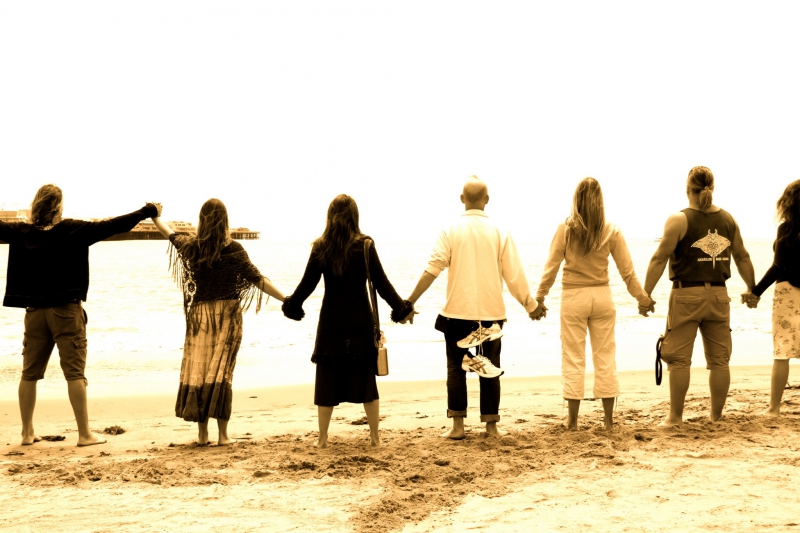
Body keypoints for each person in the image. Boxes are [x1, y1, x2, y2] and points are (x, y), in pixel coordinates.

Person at [0, 184, 160, 446]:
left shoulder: (20, 232)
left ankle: (27, 433)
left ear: (36, 204)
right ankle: (84, 435)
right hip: (65, 311)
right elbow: (113, 225)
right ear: (59, 206)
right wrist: (147, 211)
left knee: (29, 374)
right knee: (74, 374)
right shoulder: (73, 229)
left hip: (34, 313)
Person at [404, 176, 539, 439]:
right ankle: (491, 426)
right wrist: (530, 305)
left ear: (462, 199)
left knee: (456, 369)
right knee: (490, 367)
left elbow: (433, 269)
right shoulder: (500, 231)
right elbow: (514, 275)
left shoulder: (450, 230)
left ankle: (457, 427)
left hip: (457, 314)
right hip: (492, 315)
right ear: (486, 200)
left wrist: (409, 303)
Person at [281, 194, 413, 448]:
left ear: (330, 217)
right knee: (366, 380)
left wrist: (292, 305)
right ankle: (375, 437)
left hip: (331, 322)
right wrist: (401, 308)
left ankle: (322, 439)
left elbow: (307, 285)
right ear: (355, 216)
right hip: (359, 321)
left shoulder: (321, 247)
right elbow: (382, 284)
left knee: (327, 379)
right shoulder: (365, 245)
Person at [152, 199, 286, 446]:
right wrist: (286, 299)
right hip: (227, 316)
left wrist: (154, 215)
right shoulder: (234, 250)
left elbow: (168, 233)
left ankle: (202, 435)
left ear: (202, 220)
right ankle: (223, 435)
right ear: (225, 221)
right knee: (222, 373)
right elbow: (258, 280)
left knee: (200, 373)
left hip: (199, 317)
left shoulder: (192, 247)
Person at [534, 178, 653, 431]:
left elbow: (551, 267)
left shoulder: (565, 229)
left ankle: (573, 421)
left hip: (574, 299)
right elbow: (628, 273)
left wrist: (540, 298)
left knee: (573, 358)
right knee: (605, 357)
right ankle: (608, 422)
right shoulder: (611, 230)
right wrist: (643, 300)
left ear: (576, 199)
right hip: (601, 297)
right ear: (600, 201)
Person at [643, 166, 756, 426]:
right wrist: (752, 290)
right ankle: (716, 417)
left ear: (687, 189)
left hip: (686, 295)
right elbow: (743, 257)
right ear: (712, 189)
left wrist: (645, 295)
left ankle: (675, 417)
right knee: (719, 361)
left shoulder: (678, 220)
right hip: (719, 295)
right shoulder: (728, 220)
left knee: (680, 361)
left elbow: (659, 258)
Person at [749, 180, 800, 416]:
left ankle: (774, 408)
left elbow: (778, 266)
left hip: (788, 292)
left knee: (782, 353)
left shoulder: (786, 228)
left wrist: (755, 292)